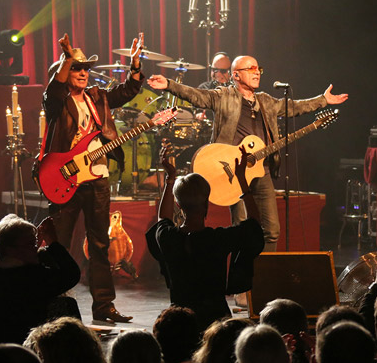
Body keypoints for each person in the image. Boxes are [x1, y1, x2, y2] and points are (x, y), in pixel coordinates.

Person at [148, 55, 348, 252]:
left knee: (272, 230)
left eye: (258, 69)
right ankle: (242, 278)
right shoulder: (223, 96)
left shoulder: (265, 101)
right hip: (234, 172)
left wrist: (323, 100)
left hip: (262, 170)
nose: (256, 73)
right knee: (241, 229)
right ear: (236, 75)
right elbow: (196, 95)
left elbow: (294, 107)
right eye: (250, 69)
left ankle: (264, 274)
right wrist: (169, 84)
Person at [42, 32, 145, 323]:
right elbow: (53, 92)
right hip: (65, 179)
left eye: (86, 68)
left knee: (101, 243)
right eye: (77, 68)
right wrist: (66, 58)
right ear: (63, 71)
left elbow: (127, 91)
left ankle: (104, 306)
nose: (84, 73)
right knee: (58, 244)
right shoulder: (56, 101)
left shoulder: (98, 97)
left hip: (97, 177)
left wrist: (135, 63)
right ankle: (55, 303)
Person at [147, 144, 264, 330]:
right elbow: (254, 225)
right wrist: (242, 180)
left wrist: (170, 179)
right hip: (215, 321)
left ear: (178, 204)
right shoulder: (218, 239)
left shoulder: (168, 237)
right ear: (206, 201)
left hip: (180, 324)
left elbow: (163, 218)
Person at [0, 215, 80, 346]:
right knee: (67, 304)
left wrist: (31, 247)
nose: (35, 248)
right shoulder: (34, 277)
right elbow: (72, 273)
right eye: (31, 244)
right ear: (10, 249)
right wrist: (53, 243)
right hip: (24, 350)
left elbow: (12, 265)